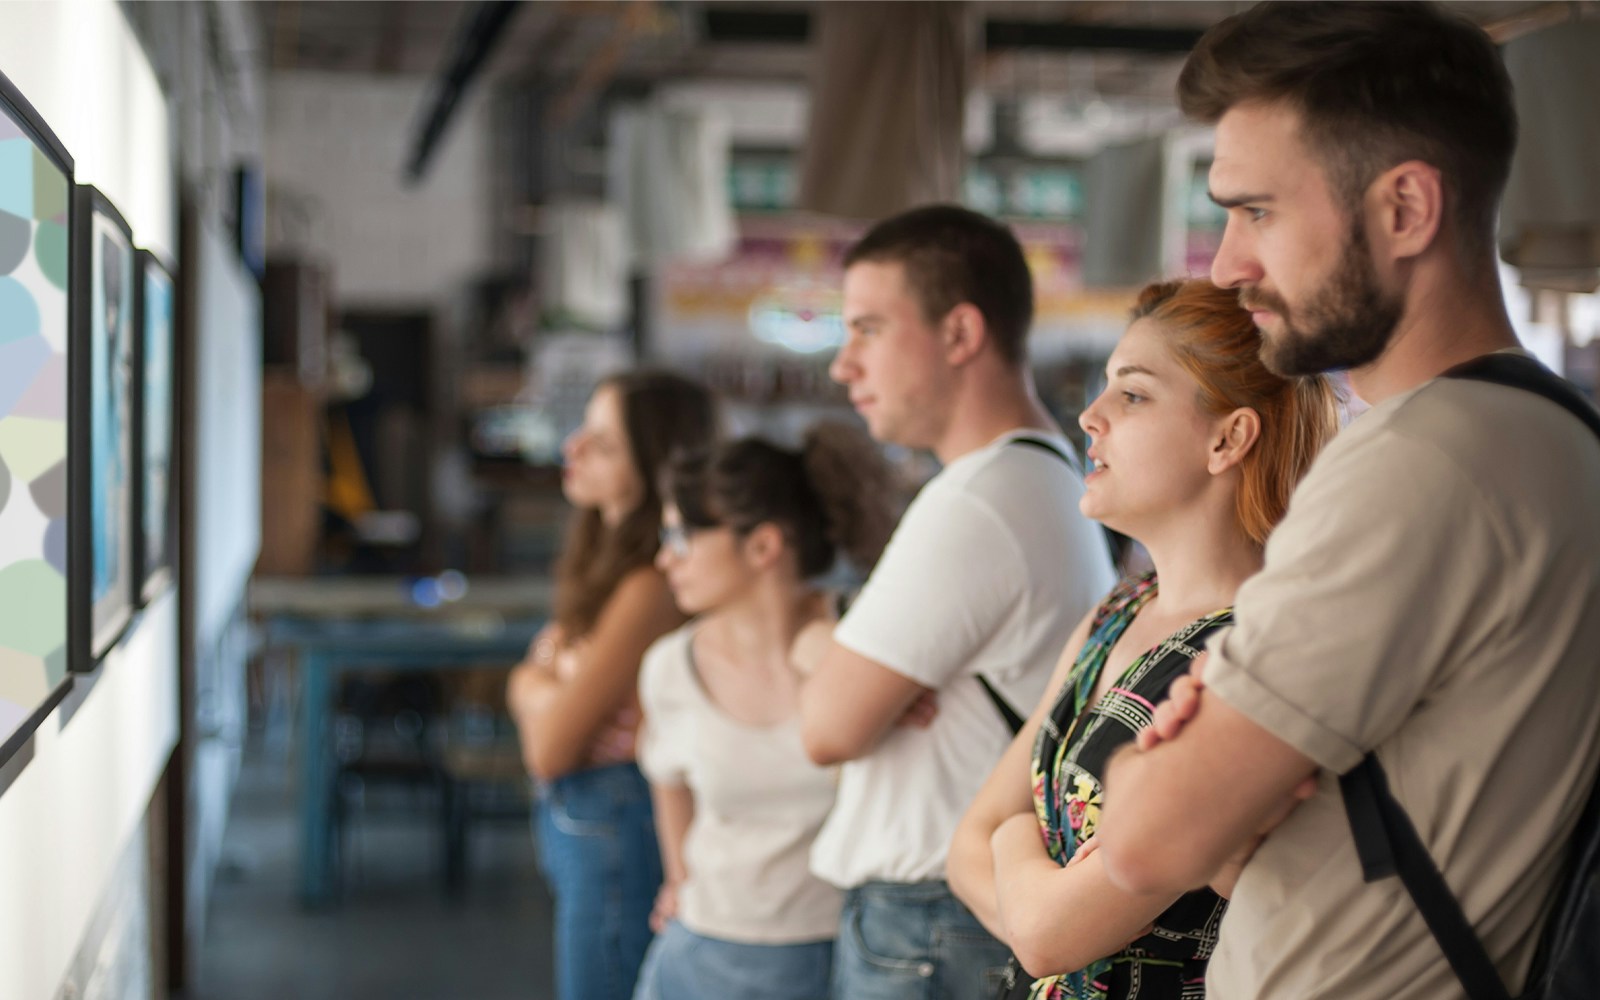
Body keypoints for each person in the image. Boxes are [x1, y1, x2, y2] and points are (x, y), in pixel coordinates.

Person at [1093, 5, 1600, 1000]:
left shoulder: (1414, 464)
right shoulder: (1558, 433)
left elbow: (1143, 845)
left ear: (1406, 209)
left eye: (1258, 212)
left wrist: (1154, 768)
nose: (1228, 264)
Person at [948, 279, 1339, 999]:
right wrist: (1025, 875)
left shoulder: (1251, 656)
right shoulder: (1118, 612)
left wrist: (1013, 843)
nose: (1089, 417)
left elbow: (1045, 933)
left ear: (1228, 437)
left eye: (1131, 395)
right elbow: (965, 846)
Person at [799, 204, 1117, 1000]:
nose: (845, 365)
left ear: (960, 334)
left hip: (930, 925)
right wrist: (847, 659)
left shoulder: (977, 498)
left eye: (869, 329)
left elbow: (827, 726)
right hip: (957, 911)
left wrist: (822, 655)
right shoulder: (1038, 475)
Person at [632, 424, 898, 1000]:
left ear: (762, 546)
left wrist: (821, 651)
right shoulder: (669, 668)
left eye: (680, 536)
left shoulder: (870, 646)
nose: (663, 558)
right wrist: (680, 881)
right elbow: (668, 782)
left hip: (850, 956)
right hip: (701, 956)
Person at [507, 370, 718, 1000]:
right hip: (591, 820)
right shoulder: (608, 565)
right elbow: (533, 674)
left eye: (602, 443)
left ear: (653, 465)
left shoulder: (649, 585)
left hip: (615, 823)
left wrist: (536, 687)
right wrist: (539, 688)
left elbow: (548, 748)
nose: (572, 449)